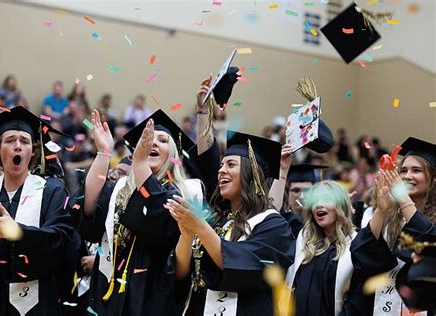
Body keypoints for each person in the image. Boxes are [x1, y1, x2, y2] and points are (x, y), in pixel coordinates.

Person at [166, 76, 295, 315]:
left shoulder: (273, 226)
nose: (221, 170)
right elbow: (183, 276)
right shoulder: (217, 220)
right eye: (221, 165)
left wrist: (199, 227)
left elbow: (242, 266)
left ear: (250, 175)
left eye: (231, 164)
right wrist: (186, 236)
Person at [76, 108, 197, 315]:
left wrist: (140, 164)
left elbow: (158, 224)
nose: (154, 143)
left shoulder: (180, 194)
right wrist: (103, 153)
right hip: (107, 292)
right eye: (150, 139)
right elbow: (88, 212)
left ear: (173, 155)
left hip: (151, 296)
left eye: (163, 141)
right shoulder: (120, 189)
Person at [0, 106, 76, 315]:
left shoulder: (51, 192)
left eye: (24, 141)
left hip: (34, 306)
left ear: (32, 151)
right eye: (10, 140)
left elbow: (62, 243)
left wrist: (19, 232)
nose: (17, 146)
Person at [351, 137, 436, 316]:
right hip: (382, 304)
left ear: (433, 179)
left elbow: (428, 244)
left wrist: (402, 196)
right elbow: (363, 257)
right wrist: (381, 211)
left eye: (416, 170)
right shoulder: (391, 217)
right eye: (403, 170)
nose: (406, 176)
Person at [285, 180, 365, 315]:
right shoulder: (304, 240)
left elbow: (357, 300)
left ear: (341, 205)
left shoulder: (356, 245)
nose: (319, 205)